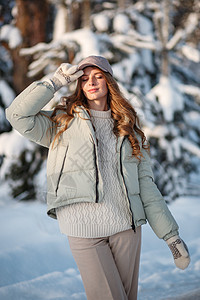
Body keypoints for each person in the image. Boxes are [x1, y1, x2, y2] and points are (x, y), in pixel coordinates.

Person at [6, 55, 190, 300]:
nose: (91, 82)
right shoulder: (61, 122)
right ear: (78, 85)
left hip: (126, 227)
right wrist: (55, 81)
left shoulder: (129, 128)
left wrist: (171, 236)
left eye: (98, 76)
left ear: (109, 82)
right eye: (84, 78)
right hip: (83, 228)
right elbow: (17, 115)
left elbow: (145, 185)